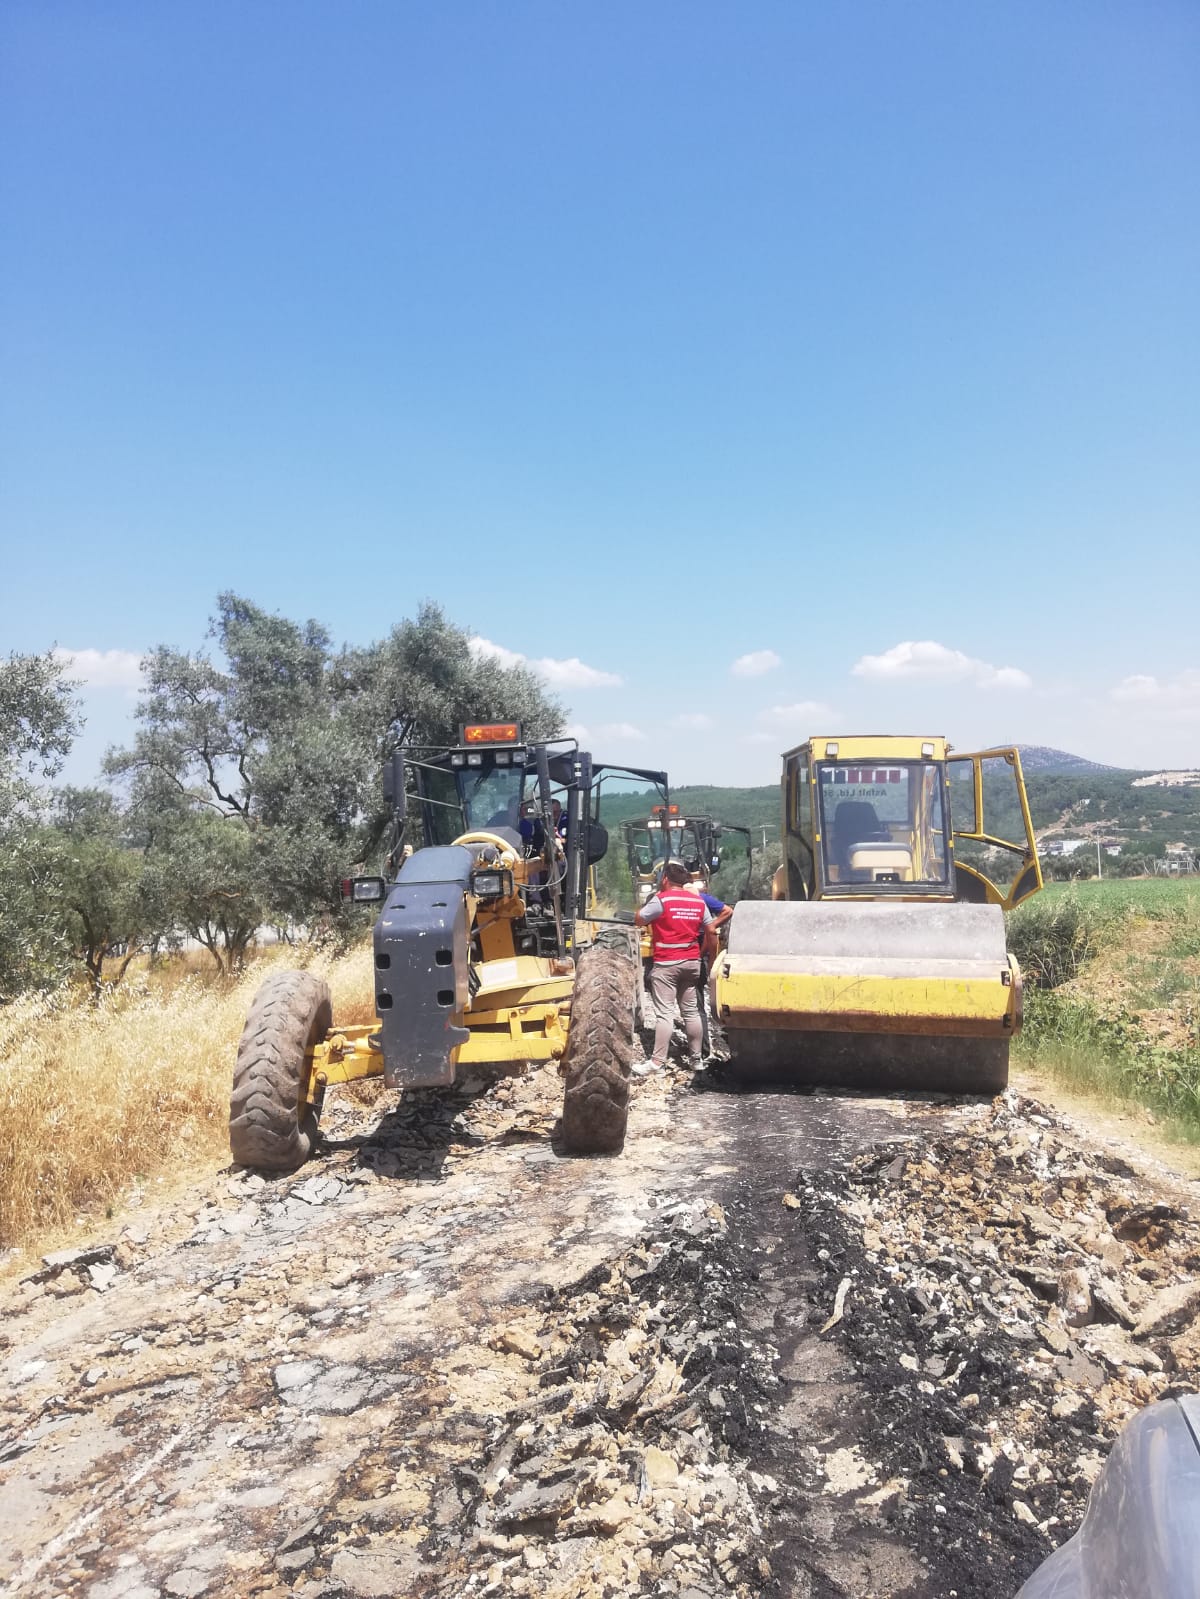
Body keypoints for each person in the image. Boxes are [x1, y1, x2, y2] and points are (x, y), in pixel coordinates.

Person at [633, 858, 717, 1073]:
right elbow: (711, 931)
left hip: (666, 963)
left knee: (665, 1014)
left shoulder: (662, 899)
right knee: (691, 1012)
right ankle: (696, 1060)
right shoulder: (698, 902)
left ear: (665, 880)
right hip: (692, 962)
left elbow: (639, 920)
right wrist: (707, 956)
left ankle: (657, 1062)